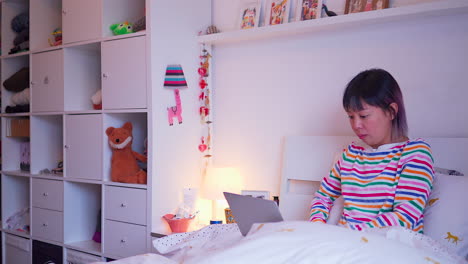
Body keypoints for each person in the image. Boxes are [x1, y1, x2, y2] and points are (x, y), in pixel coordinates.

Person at [309, 68, 434, 233]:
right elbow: (322, 197)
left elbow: (404, 217)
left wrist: (348, 235)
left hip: (389, 247)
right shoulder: (350, 156)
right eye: (351, 117)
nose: (356, 125)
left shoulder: (415, 154)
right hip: (343, 244)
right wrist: (317, 226)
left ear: (391, 111)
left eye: (363, 116)